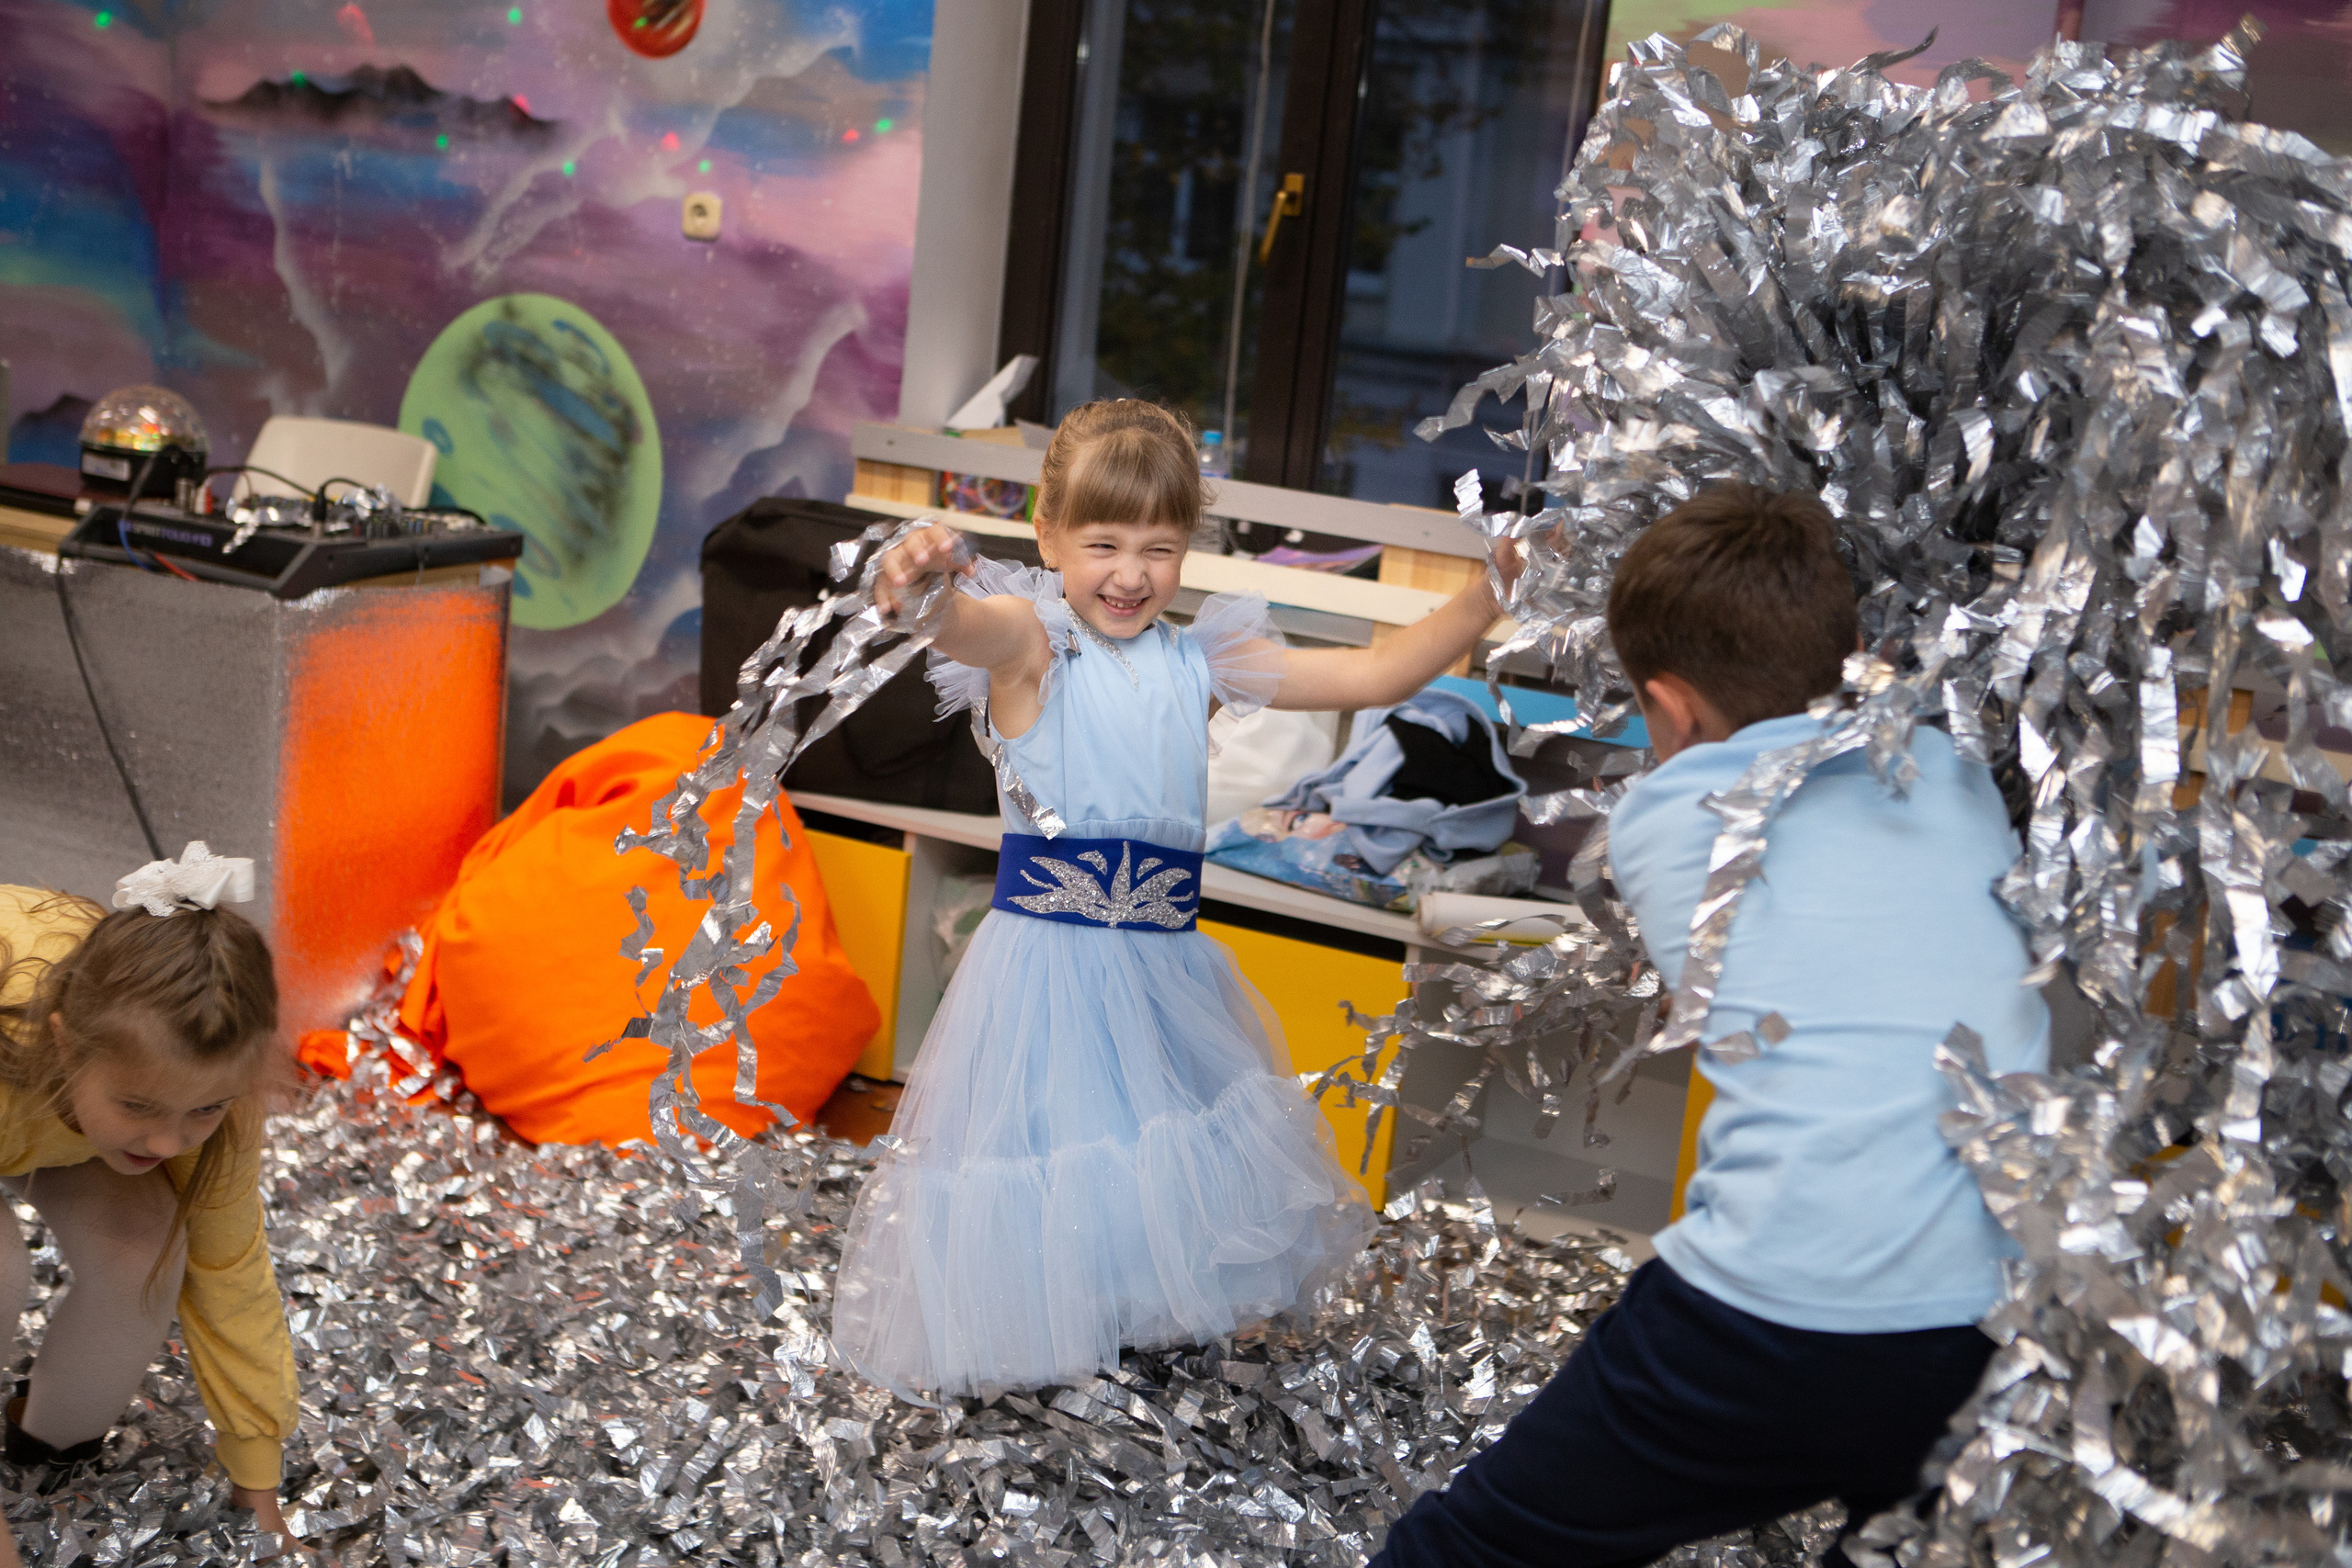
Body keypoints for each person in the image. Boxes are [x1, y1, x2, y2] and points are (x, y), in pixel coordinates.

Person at [1370, 484, 2052, 1567]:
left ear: (1670, 709)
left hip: (1767, 1312)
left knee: (1473, 1548)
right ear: (1858, 647)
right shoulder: (1955, 777)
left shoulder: (1668, 817)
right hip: (1987, 1324)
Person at [831, 399, 1521, 1397]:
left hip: (1163, 965)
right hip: (1051, 968)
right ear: (1048, 536)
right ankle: (1045, 1345)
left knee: (1155, 1160)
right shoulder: (1034, 644)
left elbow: (1377, 672)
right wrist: (920, 584)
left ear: (1188, 546)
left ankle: (1124, 1341)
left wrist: (1484, 594)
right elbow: (956, 624)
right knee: (1061, 1157)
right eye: (1102, 542)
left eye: (1159, 547)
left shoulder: (1195, 662)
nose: (1129, 573)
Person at [0, 846, 305, 1562]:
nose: (170, 1140)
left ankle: (48, 1442)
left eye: (204, 1109)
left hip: (49, 1111)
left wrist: (257, 1484)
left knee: (145, 1249)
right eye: (140, 1105)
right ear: (65, 1045)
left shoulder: (198, 1086)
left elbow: (232, 1273)